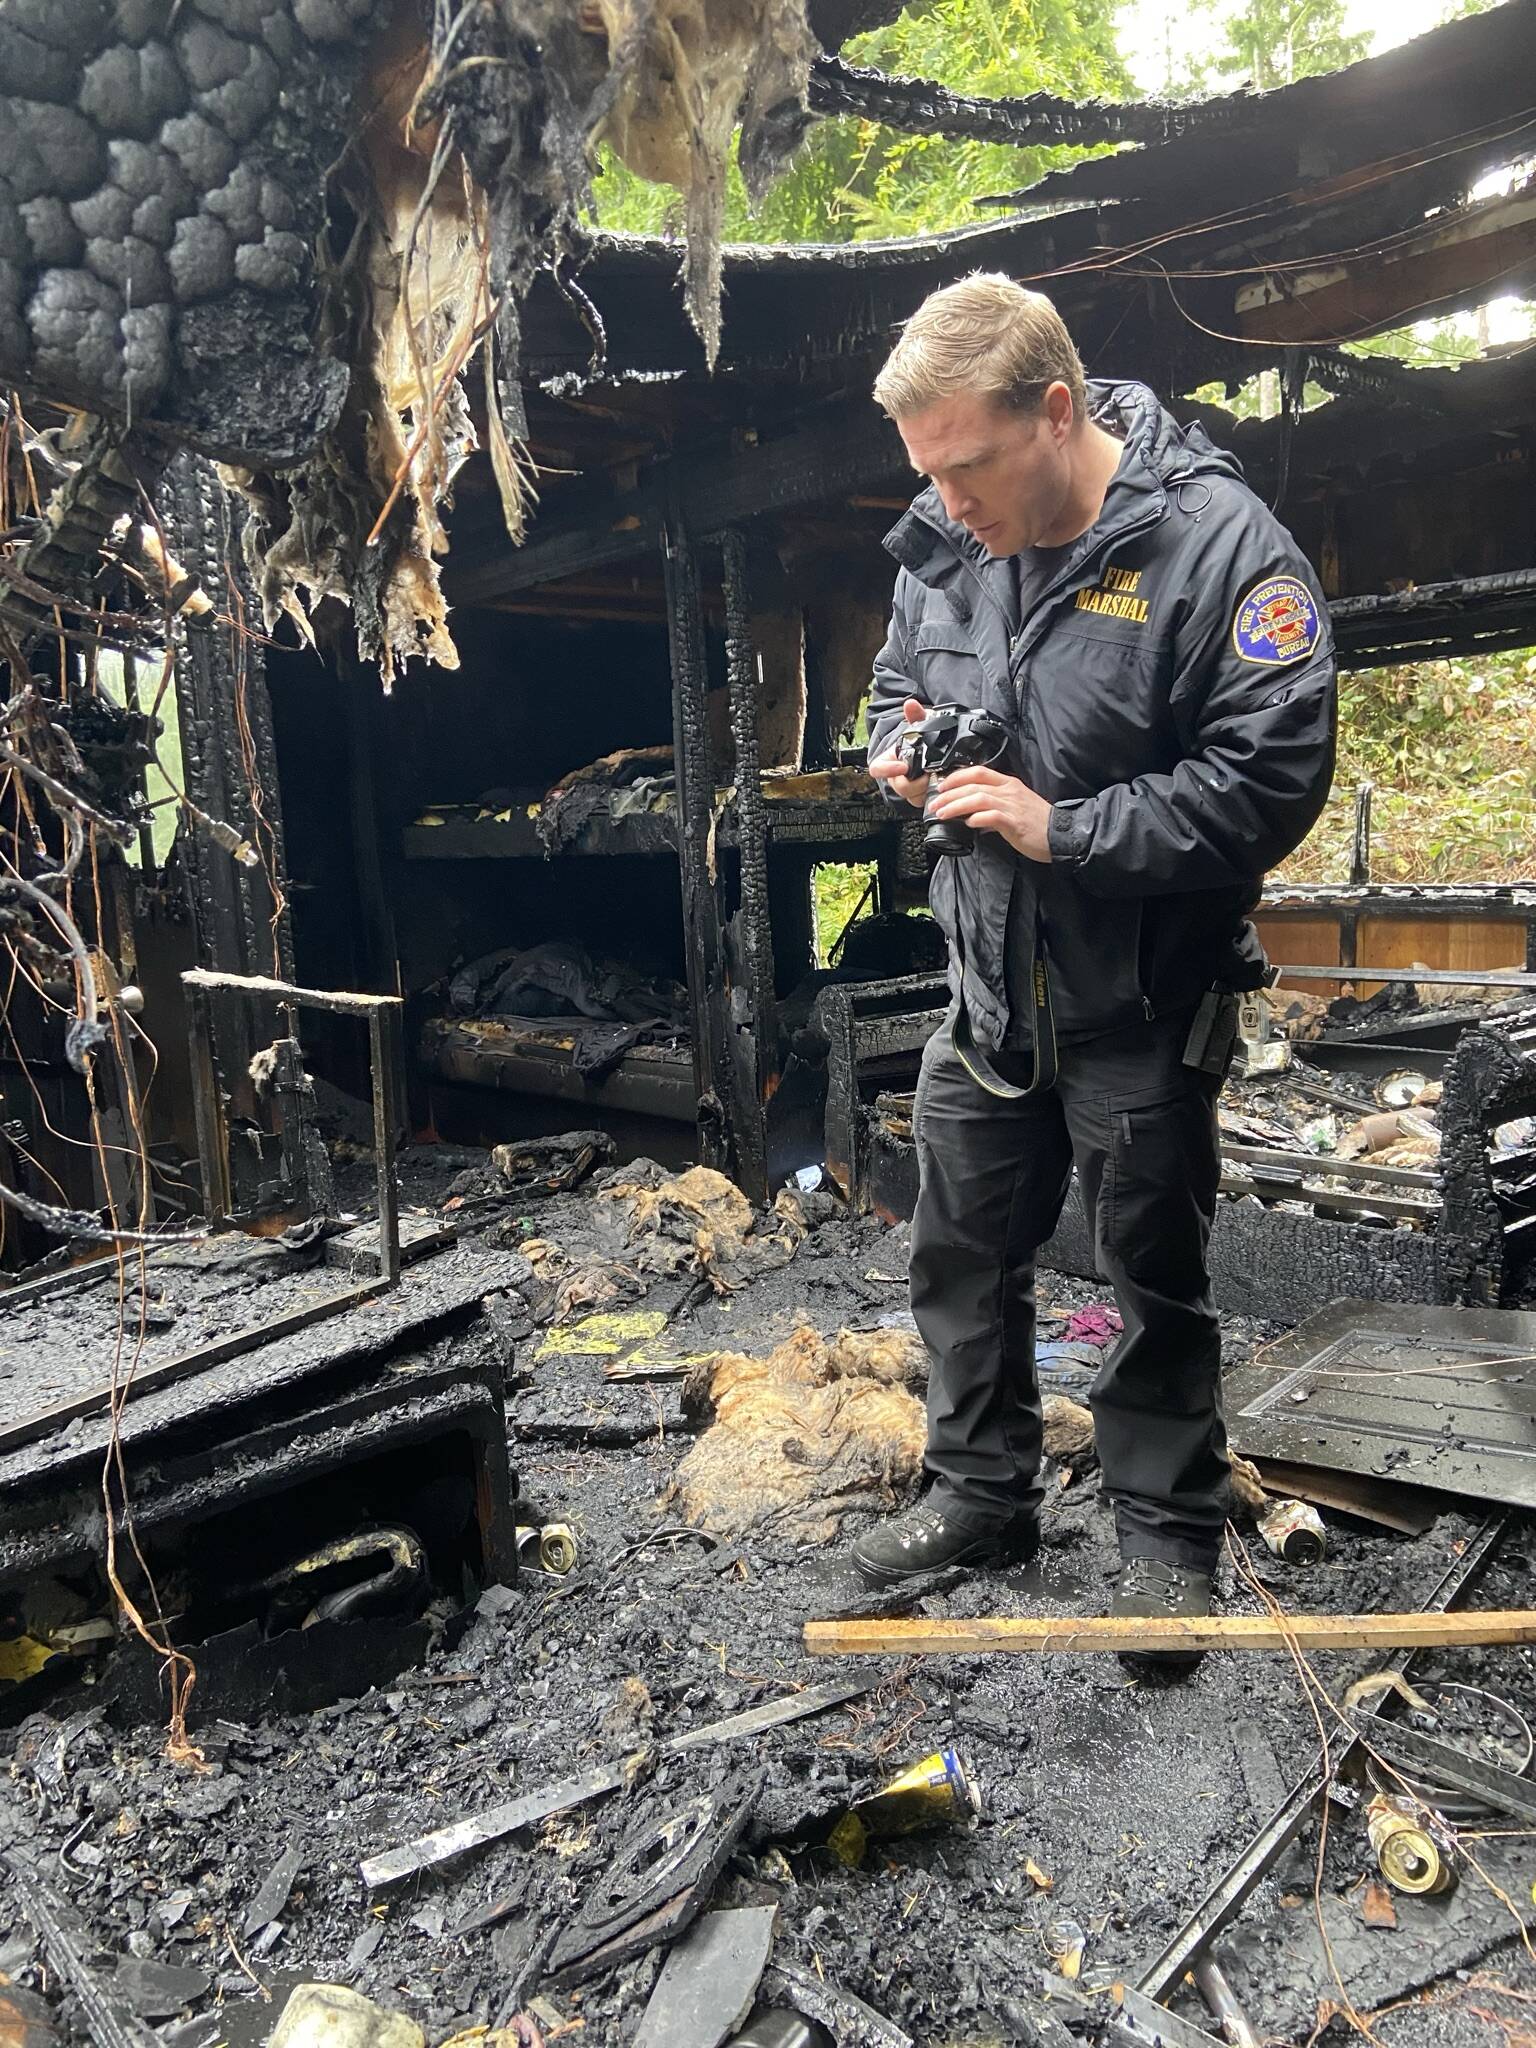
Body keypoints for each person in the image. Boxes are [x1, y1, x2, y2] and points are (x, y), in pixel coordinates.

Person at [853, 272, 1336, 1670]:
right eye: (925, 472)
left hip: (1140, 999)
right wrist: (903, 748)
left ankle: (1166, 1535)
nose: (945, 502)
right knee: (959, 1252)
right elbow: (893, 689)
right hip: (989, 991)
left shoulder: (1220, 552)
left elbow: (1269, 782)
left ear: (1054, 413)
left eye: (966, 465)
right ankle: (980, 1495)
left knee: (1151, 1273)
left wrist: (1061, 828)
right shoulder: (945, 543)